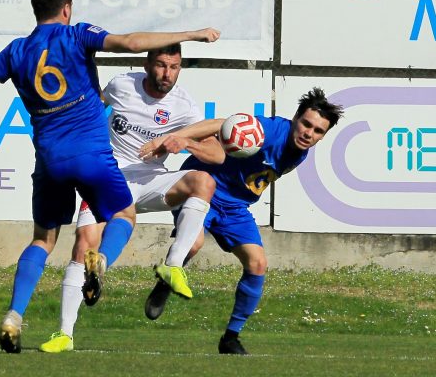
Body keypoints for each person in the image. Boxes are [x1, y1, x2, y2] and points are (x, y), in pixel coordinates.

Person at [0, 0, 220, 354]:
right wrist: (196, 34)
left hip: (49, 161)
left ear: (35, 9)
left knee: (43, 239)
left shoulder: (15, 52)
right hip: (91, 158)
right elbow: (131, 44)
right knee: (124, 213)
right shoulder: (78, 35)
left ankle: (14, 315)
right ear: (67, 8)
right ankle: (102, 259)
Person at [39, 44, 220, 353]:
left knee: (203, 180)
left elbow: (217, 154)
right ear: (148, 64)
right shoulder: (122, 84)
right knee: (84, 245)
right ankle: (64, 334)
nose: (167, 74)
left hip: (150, 180)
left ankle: (173, 266)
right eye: (162, 65)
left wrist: (183, 141)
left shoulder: (184, 106)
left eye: (174, 67)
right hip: (110, 175)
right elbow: (91, 108)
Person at [139, 87, 343, 355]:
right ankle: (166, 282)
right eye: (306, 124)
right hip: (203, 186)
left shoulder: (301, 151)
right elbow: (220, 124)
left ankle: (231, 338)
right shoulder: (271, 129)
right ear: (295, 118)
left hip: (236, 207)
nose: (309, 133)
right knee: (194, 244)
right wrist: (173, 137)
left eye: (318, 131)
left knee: (258, 264)